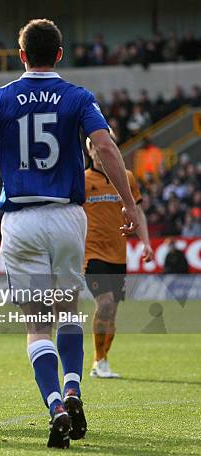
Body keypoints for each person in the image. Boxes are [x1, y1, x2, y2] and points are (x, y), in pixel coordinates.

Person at [0, 19, 140, 448]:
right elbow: (104, 148)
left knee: (36, 324)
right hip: (67, 215)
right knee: (67, 311)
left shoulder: (0, 97)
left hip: (22, 219)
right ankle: (75, 387)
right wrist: (130, 203)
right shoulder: (78, 97)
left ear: (21, 54)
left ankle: (55, 405)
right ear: (60, 54)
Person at [84, 133, 154, 378]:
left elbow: (138, 212)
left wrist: (145, 243)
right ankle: (97, 361)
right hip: (91, 253)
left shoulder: (126, 177)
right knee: (104, 303)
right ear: (90, 149)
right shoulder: (81, 180)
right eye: (95, 145)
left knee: (112, 310)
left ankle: (103, 360)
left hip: (118, 254)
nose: (101, 149)